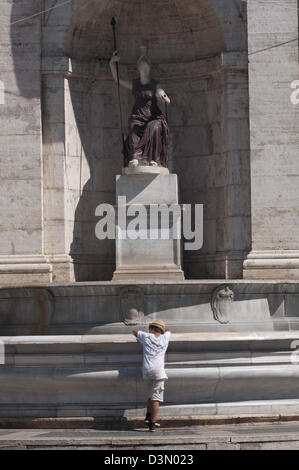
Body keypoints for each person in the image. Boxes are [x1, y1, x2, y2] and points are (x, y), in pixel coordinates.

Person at [109, 46, 170, 168]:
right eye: (142, 68)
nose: (145, 70)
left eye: (146, 68)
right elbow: (117, 80)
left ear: (149, 68)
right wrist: (111, 63)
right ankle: (135, 158)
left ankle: (154, 159)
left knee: (155, 127)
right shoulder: (135, 84)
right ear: (138, 69)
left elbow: (166, 99)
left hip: (152, 116)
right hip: (137, 115)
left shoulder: (154, 84)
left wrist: (163, 97)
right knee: (133, 128)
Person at [132, 320, 171, 432]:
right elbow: (169, 331)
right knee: (156, 397)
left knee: (152, 395)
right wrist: (164, 332)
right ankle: (152, 424)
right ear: (161, 330)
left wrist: (144, 335)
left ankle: (149, 416)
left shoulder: (146, 336)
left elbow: (134, 331)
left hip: (146, 370)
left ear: (152, 328)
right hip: (158, 371)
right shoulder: (165, 337)